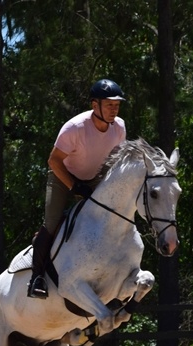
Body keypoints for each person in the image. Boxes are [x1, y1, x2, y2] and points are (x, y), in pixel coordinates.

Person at [28, 78, 128, 299]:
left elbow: (116, 160)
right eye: (110, 104)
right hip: (63, 175)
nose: (114, 109)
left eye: (117, 105)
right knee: (52, 223)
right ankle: (37, 277)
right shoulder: (74, 128)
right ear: (95, 105)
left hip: (94, 177)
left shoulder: (119, 127)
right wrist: (74, 186)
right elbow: (53, 161)